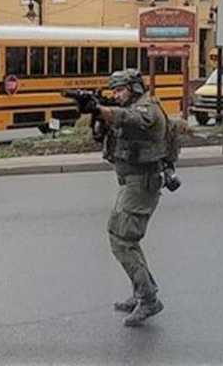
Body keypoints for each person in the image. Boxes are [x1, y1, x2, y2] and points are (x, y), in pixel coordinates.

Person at [81, 69, 168, 327]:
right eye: (114, 91)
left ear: (135, 88)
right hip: (132, 183)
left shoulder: (147, 108)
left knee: (122, 240)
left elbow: (131, 119)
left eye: (121, 90)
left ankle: (149, 299)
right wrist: (98, 118)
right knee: (124, 237)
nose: (116, 95)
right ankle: (141, 292)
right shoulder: (131, 106)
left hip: (142, 184)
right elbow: (109, 133)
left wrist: (101, 110)